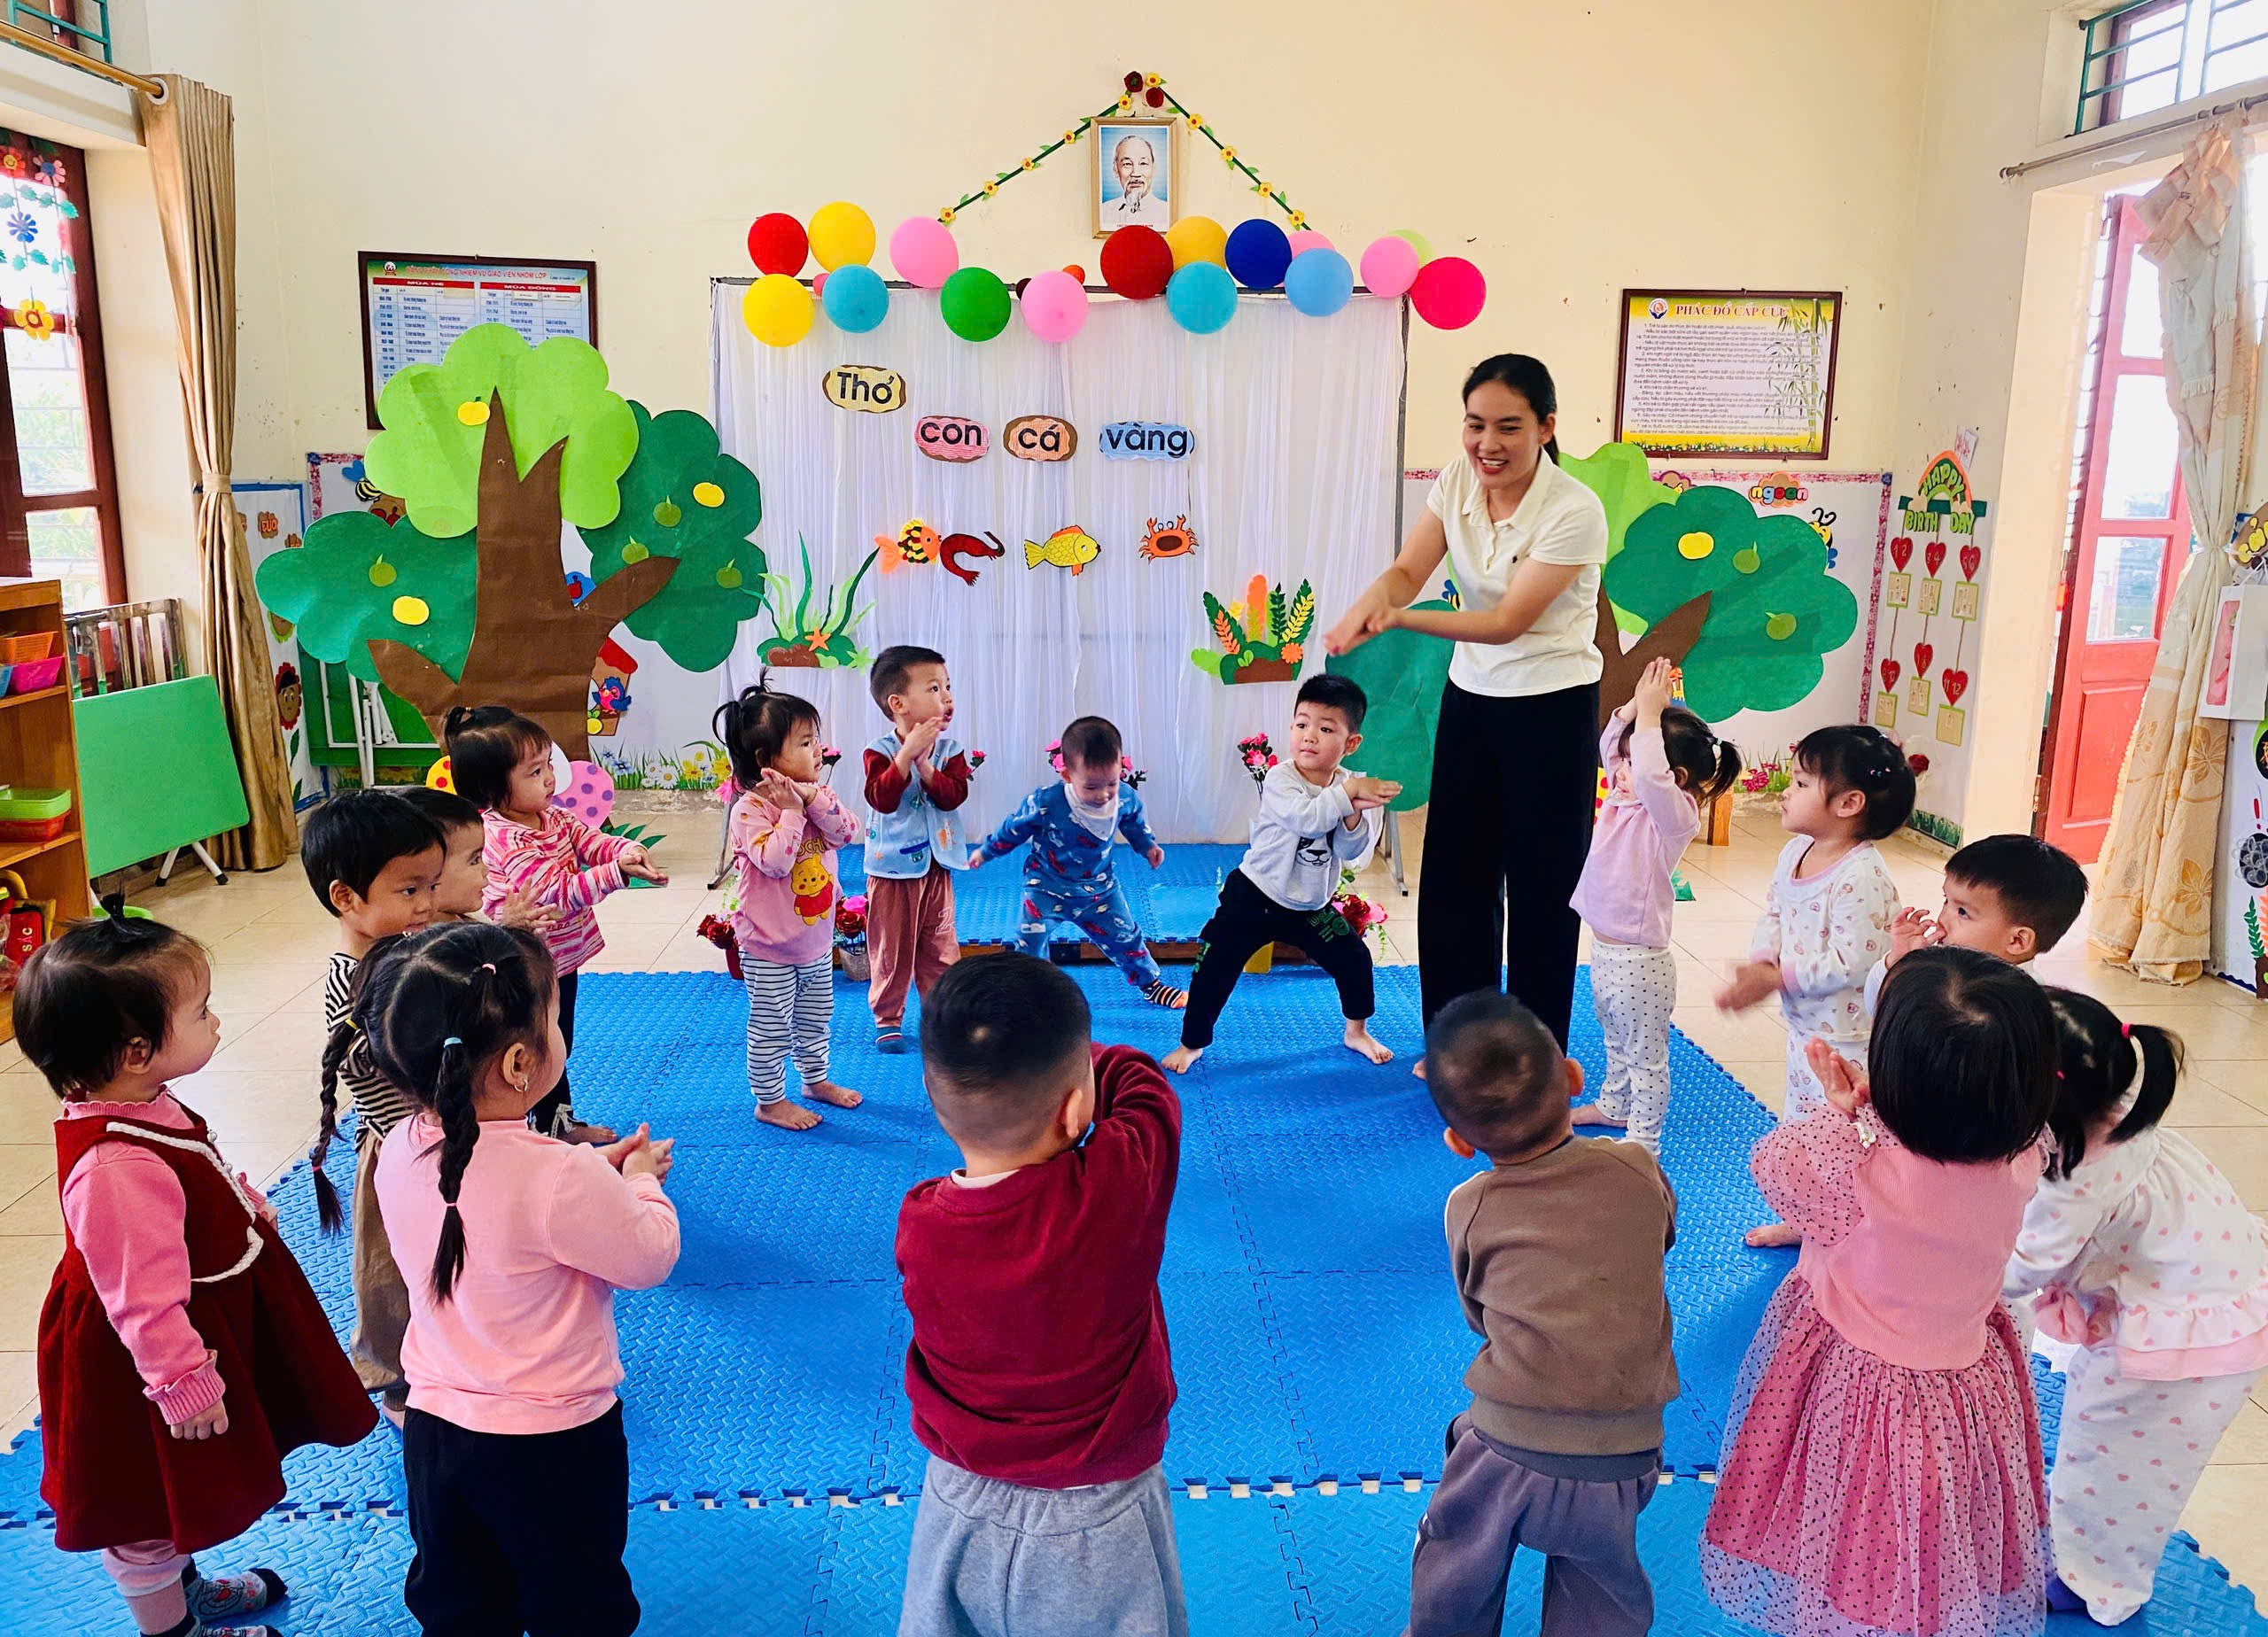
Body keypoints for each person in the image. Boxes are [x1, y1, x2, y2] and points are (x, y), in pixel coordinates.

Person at [19, 910, 377, 1637]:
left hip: (186, 1330)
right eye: (202, 1011)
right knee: (145, 1511)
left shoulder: (138, 1101)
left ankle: (187, 1594)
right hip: (144, 1365)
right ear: (137, 1051)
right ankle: (172, 1629)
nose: (216, 1021)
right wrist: (183, 1384)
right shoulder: (114, 1165)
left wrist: (235, 1202)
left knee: (176, 1490)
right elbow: (140, 1300)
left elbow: (189, 1172)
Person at [1701, 948, 2056, 1637]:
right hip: (1964, 1388)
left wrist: (1844, 1115)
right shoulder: (2023, 1157)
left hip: (1862, 1389)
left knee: (1851, 1526)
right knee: (1927, 1533)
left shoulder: (1861, 1172)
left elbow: (1774, 1164)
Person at [361, 923, 680, 1637]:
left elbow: (496, 1206)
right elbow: (649, 1257)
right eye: (553, 1021)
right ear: (518, 1063)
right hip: (552, 1443)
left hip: (435, 1431)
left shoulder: (401, 1147)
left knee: (462, 1601)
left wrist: (594, 1176)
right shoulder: (557, 1175)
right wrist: (639, 1182)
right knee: (577, 1602)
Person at [894, 954, 1187, 1637]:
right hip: (1099, 1518)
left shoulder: (922, 1222)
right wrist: (1073, 1055)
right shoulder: (1117, 1183)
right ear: (1078, 1108)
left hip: (955, 1503)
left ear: (936, 1096)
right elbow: (1148, 1090)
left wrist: (1041, 1065)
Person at [1322, 355, 1610, 1049]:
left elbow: (1508, 621)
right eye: (1475, 424)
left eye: (1509, 427)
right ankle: (1458, 1042)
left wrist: (1398, 619)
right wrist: (1368, 605)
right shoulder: (1457, 480)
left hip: (1552, 705)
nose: (1488, 443)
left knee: (1542, 884)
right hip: (1473, 698)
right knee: (1456, 875)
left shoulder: (1574, 510)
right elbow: (1406, 570)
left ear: (1545, 427)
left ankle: (1535, 1051)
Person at [1410, 990, 1679, 1637]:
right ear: (1574, 1078)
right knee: (1603, 1593)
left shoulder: (1470, 1204)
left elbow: (1478, 1311)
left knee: (1455, 1562)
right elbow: (1662, 1236)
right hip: (1626, 1454)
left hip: (1508, 1448)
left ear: (1458, 1141)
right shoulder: (1637, 1166)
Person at [2003, 989, 2268, 1626]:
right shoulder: (2112, 1115)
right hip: (2211, 1301)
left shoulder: (2076, 1176)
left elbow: (2020, 1269)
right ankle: (2090, 1563)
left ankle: (2097, 1585)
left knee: (2113, 1459)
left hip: (2186, 1340)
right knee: (2116, 1453)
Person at [1715, 725, 1910, 1245]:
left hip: (1851, 1043)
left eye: (1801, 783)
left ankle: (1856, 1229)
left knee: (1847, 1138)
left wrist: (1776, 978)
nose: (1786, 790)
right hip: (1806, 1030)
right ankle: (1807, 1219)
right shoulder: (1795, 851)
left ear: (1848, 804)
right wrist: (1763, 962)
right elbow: (1775, 910)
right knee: (1802, 1128)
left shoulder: (1861, 877)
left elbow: (1852, 963)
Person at [447, 704, 667, 1142]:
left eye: (548, 765)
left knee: (556, 1043)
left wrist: (625, 851)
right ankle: (533, 1127)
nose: (549, 778)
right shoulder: (505, 836)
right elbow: (557, 892)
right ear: (492, 787)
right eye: (534, 772)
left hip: (558, 960)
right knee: (539, 1048)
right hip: (523, 965)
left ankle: (553, 1123)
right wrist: (617, 874)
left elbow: (591, 841)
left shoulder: (552, 817)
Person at [1163, 676, 1399, 1074]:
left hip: (1309, 906)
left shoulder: (1348, 785)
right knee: (1214, 966)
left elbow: (1350, 851)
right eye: (1302, 724)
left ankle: (1356, 1031)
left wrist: (1355, 813)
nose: (1310, 736)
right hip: (1254, 897)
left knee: (1355, 959)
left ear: (1351, 743)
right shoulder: (1281, 778)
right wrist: (1348, 796)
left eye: (1326, 729)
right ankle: (1192, 1043)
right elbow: (1306, 819)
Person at [301, 788, 445, 1424]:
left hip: (438, 1135)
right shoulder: (350, 978)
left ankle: (454, 1349)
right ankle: (393, 1379)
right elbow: (370, 1063)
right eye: (410, 890)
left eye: (431, 886)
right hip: (393, 1147)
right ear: (346, 898)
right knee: (389, 1272)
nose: (427, 904)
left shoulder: (406, 950)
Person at [1569, 657, 1741, 1153]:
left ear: (1675, 776)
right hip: (1606, 952)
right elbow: (1611, 748)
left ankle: (1644, 1141)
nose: (1620, 769)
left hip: (1640, 963)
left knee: (1646, 1057)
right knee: (1614, 1040)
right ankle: (1614, 1106)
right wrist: (1631, 710)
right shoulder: (1624, 797)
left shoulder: (1673, 815)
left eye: (1633, 760)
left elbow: (1648, 773)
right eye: (1624, 761)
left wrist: (1649, 717)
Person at [715, 679, 864, 1130]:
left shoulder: (818, 794)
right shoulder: (749, 811)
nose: (818, 749)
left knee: (816, 1017)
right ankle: (770, 1100)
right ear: (766, 760)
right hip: (768, 947)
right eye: (804, 742)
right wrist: (793, 813)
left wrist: (812, 800)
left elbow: (847, 833)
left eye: (816, 739)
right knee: (772, 1027)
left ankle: (815, 1080)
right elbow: (776, 862)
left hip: (814, 941)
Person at [971, 715, 1184, 1008]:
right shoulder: (1046, 802)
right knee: (1029, 939)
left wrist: (1148, 846)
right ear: (1067, 775)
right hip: (1046, 887)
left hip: (1100, 890)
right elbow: (1013, 829)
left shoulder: (1124, 798)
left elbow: (1134, 823)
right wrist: (986, 852)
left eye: (1111, 783)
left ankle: (1151, 984)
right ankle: (1033, 993)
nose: (1103, 794)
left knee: (1126, 937)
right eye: (1092, 787)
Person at [862, 645, 975, 1053]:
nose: (947, 697)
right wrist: (906, 756)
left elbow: (953, 796)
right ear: (899, 704)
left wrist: (926, 766)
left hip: (937, 866)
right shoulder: (878, 752)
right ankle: (888, 1017)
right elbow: (881, 798)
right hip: (892, 870)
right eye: (934, 688)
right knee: (892, 948)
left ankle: (942, 1016)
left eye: (948, 687)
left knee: (941, 946)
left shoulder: (951, 751)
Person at [1862, 831, 2088, 1011]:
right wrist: (1897, 962)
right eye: (1946, 901)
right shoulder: (1940, 964)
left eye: (1962, 912)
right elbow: (1878, 1008)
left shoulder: (2023, 1007)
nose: (1942, 920)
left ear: (2017, 941)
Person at [393, 785, 557, 935]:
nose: (486, 870)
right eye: (474, 860)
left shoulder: (463, 916)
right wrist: (511, 931)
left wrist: (513, 928)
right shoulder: (429, 946)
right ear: (429, 874)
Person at [1099, 132, 1169, 228]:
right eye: (1127, 164)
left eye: (1143, 163)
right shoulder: (1103, 212)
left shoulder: (1166, 213)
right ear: (1116, 170)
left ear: (1153, 169)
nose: (1135, 173)